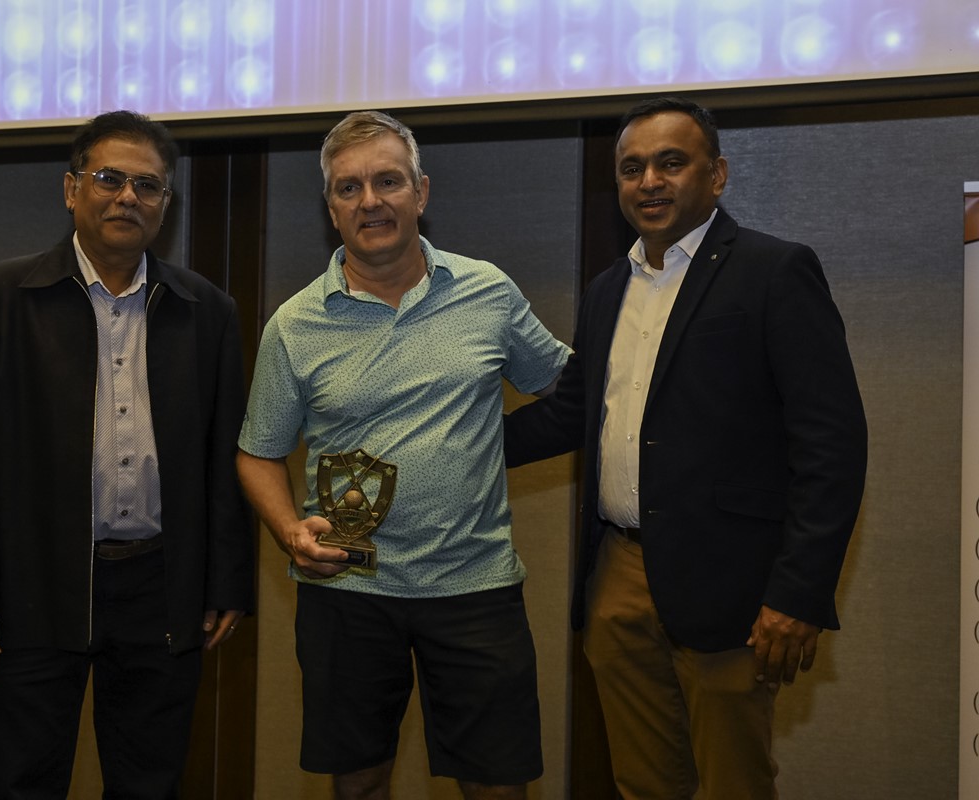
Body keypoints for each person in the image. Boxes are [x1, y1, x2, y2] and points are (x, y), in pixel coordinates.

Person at [504, 96, 868, 799]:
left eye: (671, 163)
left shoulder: (774, 271)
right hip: (618, 576)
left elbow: (833, 445)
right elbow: (574, 413)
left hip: (732, 588)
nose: (649, 182)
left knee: (735, 783)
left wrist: (799, 592)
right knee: (643, 783)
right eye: (632, 168)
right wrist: (450, 444)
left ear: (717, 174)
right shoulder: (608, 289)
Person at [236, 110, 570, 800]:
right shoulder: (294, 324)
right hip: (348, 592)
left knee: (499, 786)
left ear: (421, 191)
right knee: (358, 784)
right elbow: (258, 452)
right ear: (331, 208)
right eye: (349, 188)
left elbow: (568, 390)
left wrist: (489, 445)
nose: (371, 201)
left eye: (388, 181)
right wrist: (289, 531)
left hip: (475, 587)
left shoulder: (487, 291)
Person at [0, 109, 253, 799]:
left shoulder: (207, 311)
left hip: (161, 587)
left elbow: (225, 458)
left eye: (148, 185)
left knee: (150, 784)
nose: (127, 197)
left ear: (165, 203)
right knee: (21, 780)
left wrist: (227, 580)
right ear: (71, 188)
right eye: (109, 178)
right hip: (31, 589)